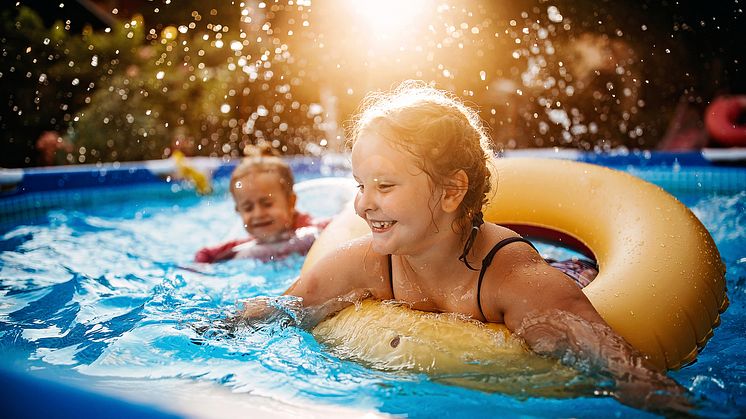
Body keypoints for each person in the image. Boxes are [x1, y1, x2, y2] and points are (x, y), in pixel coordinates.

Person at [240, 81, 690, 413]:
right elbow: (279, 309)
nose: (363, 203)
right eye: (360, 185)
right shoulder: (368, 264)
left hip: (570, 271)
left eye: (384, 185)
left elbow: (627, 376)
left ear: (453, 191)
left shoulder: (516, 281)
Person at [194, 146, 329, 263]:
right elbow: (205, 254)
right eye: (248, 208)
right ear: (238, 211)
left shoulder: (313, 230)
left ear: (291, 203)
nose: (258, 214)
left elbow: (337, 226)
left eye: (267, 204)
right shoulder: (247, 244)